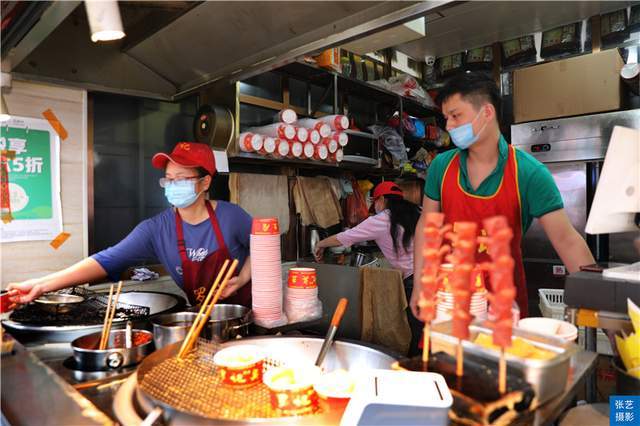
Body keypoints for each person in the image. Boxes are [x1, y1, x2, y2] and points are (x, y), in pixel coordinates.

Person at [411, 72, 595, 320]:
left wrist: (602, 307)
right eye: (447, 118)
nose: (449, 126)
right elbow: (427, 227)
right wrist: (421, 284)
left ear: (487, 113)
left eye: (456, 116)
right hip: (447, 301)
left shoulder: (529, 173)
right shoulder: (441, 167)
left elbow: (567, 240)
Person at [7, 142, 253, 307]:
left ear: (205, 182)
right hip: (200, 319)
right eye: (169, 180)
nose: (174, 185)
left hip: (250, 314)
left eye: (182, 179)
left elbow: (265, 247)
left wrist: (242, 278)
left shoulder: (232, 217)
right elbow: (106, 260)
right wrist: (39, 285)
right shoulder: (156, 229)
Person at [314, 181, 423, 355]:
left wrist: (320, 243)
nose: (374, 207)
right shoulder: (419, 211)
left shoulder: (381, 219)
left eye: (374, 203)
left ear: (380, 200)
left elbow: (345, 237)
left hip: (414, 281)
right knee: (428, 331)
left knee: (415, 330)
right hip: (436, 276)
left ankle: (413, 369)